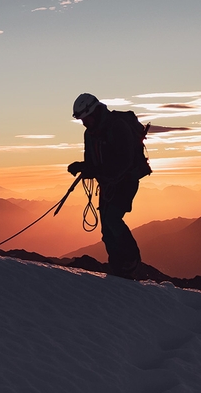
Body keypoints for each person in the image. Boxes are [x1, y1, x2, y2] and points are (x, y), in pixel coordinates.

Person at [68, 93, 145, 279]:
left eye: (85, 118)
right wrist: (82, 166)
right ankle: (118, 267)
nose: (84, 123)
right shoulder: (90, 133)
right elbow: (92, 162)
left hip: (126, 181)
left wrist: (97, 172)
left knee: (112, 219)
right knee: (106, 228)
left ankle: (131, 262)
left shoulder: (117, 127)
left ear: (94, 112)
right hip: (108, 183)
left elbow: (124, 161)